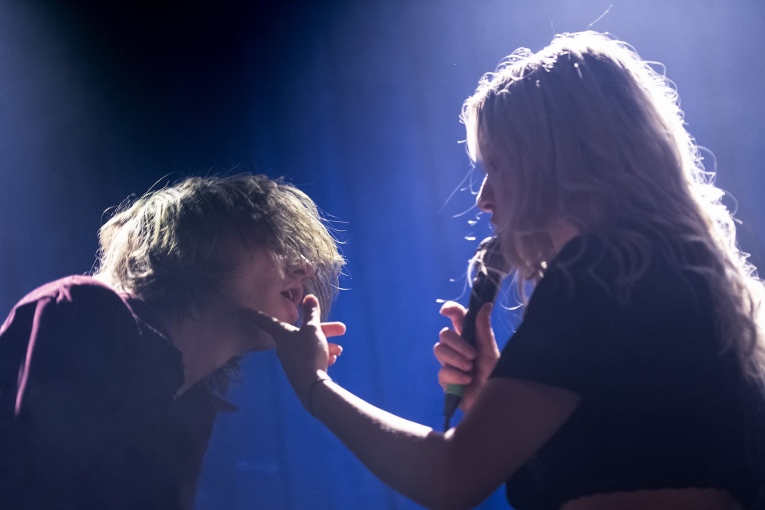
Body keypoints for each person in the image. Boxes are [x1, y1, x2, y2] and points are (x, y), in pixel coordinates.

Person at [252, 31, 765, 509]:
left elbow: (450, 478)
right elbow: (639, 452)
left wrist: (314, 386)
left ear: (563, 160)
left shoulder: (598, 273)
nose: (483, 198)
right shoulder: (675, 275)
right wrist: (500, 400)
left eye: (498, 165)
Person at [0, 173, 345, 509]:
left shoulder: (192, 411)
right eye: (275, 242)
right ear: (200, 242)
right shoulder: (90, 309)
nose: (305, 269)